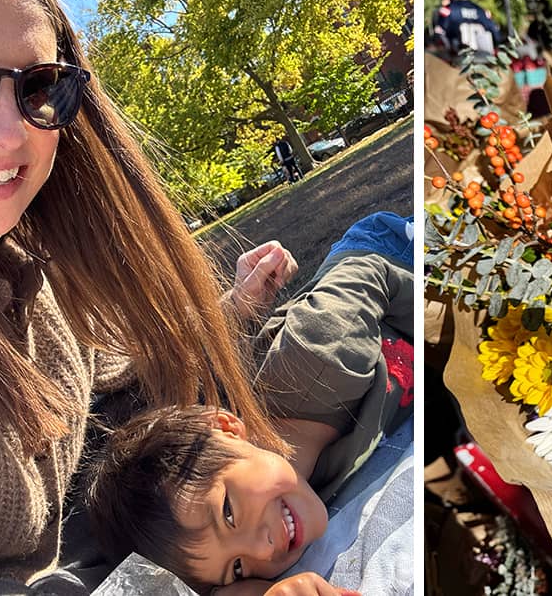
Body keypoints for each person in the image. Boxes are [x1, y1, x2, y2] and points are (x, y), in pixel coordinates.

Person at [0, 0, 297, 590]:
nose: (11, 132)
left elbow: (128, 373)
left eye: (42, 89)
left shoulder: (34, 277)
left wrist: (235, 309)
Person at [87, 212, 414, 595]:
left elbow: (371, 269)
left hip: (388, 254)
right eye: (237, 568)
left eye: (228, 512)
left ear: (225, 428)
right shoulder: (281, 494)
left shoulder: (319, 354)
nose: (263, 549)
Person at [429, 0, 502, 59]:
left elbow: (439, 41)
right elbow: (497, 38)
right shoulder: (482, 12)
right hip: (486, 63)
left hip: (459, 65)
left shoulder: (447, 11)